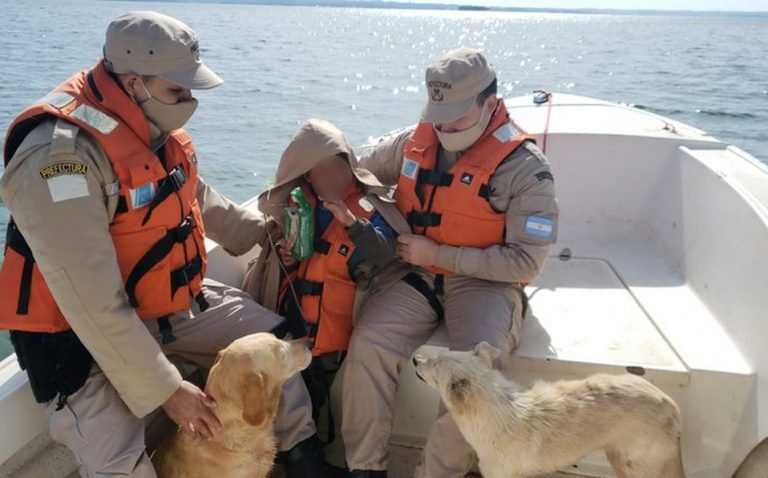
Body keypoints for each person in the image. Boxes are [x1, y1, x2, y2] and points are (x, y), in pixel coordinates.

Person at [0, 11, 322, 478]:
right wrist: (169, 390)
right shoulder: (59, 158)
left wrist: (265, 234)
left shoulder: (148, 121)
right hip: (78, 341)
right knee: (122, 467)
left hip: (167, 308)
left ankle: (305, 463)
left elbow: (191, 193)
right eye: (178, 91)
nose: (189, 101)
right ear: (133, 83)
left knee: (278, 351)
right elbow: (92, 303)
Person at [340, 48, 560, 478]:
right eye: (438, 117)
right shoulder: (414, 141)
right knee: (367, 345)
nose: (443, 128)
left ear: (490, 104)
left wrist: (438, 255)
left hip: (485, 283)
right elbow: (358, 167)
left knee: (474, 379)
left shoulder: (527, 170)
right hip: (416, 276)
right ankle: (364, 468)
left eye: (456, 118)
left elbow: (525, 263)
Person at [244, 119, 429, 469]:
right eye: (319, 171)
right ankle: (303, 462)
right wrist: (287, 256)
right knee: (296, 407)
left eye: (337, 166)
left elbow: (385, 251)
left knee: (324, 408)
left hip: (338, 341)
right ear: (306, 177)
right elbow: (295, 262)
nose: (331, 178)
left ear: (351, 165)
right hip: (297, 331)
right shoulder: (298, 206)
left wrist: (351, 224)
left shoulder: (371, 208)